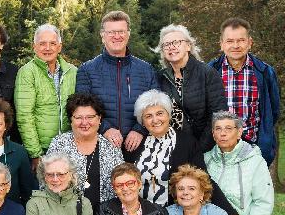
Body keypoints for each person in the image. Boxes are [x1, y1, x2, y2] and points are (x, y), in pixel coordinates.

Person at [126, 90, 240, 215]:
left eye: (160, 113)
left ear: (169, 115)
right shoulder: (135, 144)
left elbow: (203, 179)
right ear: (142, 121)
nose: (155, 120)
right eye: (148, 116)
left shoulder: (186, 143)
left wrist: (230, 212)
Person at [76, 10, 159, 155]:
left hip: (140, 147)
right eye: (111, 32)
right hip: (100, 146)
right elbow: (82, 108)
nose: (116, 36)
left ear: (128, 34)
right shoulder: (87, 70)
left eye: (121, 31)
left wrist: (140, 129)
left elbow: (156, 105)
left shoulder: (146, 70)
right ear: (103, 36)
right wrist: (105, 129)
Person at [208, 17, 280, 165]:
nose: (235, 45)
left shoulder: (265, 72)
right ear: (221, 44)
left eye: (241, 40)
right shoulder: (210, 71)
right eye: (229, 41)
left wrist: (265, 143)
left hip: (253, 150)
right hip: (217, 150)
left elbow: (273, 111)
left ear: (250, 43)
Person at [154, 24, 226, 152]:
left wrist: (199, 149)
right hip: (171, 148)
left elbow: (218, 115)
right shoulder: (160, 77)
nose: (171, 47)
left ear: (188, 46)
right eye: (166, 44)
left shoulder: (207, 73)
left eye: (176, 42)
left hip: (204, 148)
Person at [16, 24, 78, 169]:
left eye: (52, 43)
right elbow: (24, 116)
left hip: (70, 147)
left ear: (59, 47)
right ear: (34, 47)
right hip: (43, 149)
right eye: (42, 43)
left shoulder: (73, 72)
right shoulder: (27, 73)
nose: (47, 48)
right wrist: (35, 153)